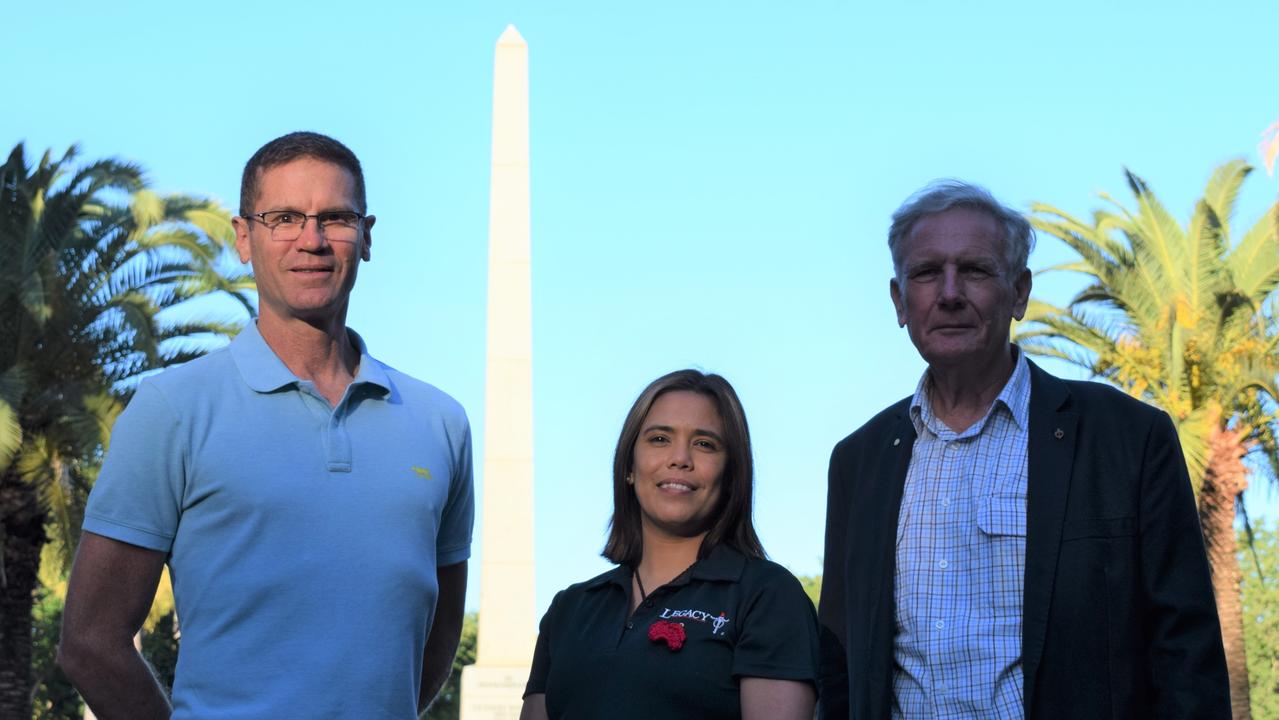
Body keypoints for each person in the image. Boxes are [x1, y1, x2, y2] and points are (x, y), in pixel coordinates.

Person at [58, 131, 474, 719]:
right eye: (284, 218)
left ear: (367, 236)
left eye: (335, 218)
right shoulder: (173, 410)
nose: (312, 240)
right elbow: (90, 642)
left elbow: (434, 638)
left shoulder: (441, 424)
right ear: (244, 238)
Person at [817, 180, 1231, 719]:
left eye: (975, 269)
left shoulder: (1126, 438)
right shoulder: (859, 461)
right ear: (899, 300)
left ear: (1019, 292)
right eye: (925, 272)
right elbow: (838, 665)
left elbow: (1186, 655)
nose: (948, 293)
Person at [521, 370, 820, 720]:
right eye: (660, 439)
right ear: (629, 467)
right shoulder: (569, 610)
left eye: (705, 444)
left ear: (731, 475)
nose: (680, 458)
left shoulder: (767, 596)